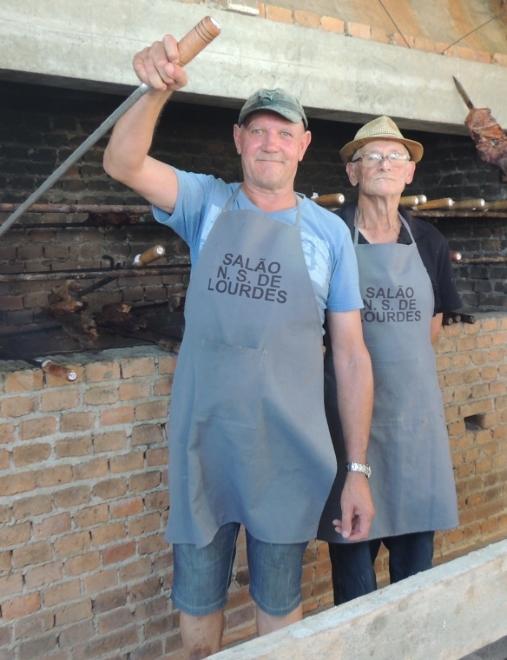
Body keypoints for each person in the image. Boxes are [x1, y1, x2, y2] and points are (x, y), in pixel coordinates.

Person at [102, 34, 376, 659]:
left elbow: (351, 356)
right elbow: (123, 162)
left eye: (284, 133)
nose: (270, 143)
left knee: (279, 601)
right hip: (205, 441)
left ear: (303, 145)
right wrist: (155, 90)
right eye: (258, 131)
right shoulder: (205, 202)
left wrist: (357, 470)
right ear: (238, 140)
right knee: (199, 597)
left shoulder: (330, 234)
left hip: (288, 448)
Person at [318, 116, 462, 604]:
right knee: (354, 582)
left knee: (414, 580)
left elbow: (432, 326)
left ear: (409, 173)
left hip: (415, 429)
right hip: (347, 428)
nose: (384, 164)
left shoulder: (430, 242)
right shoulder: (331, 236)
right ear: (352, 172)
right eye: (371, 156)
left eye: (395, 157)